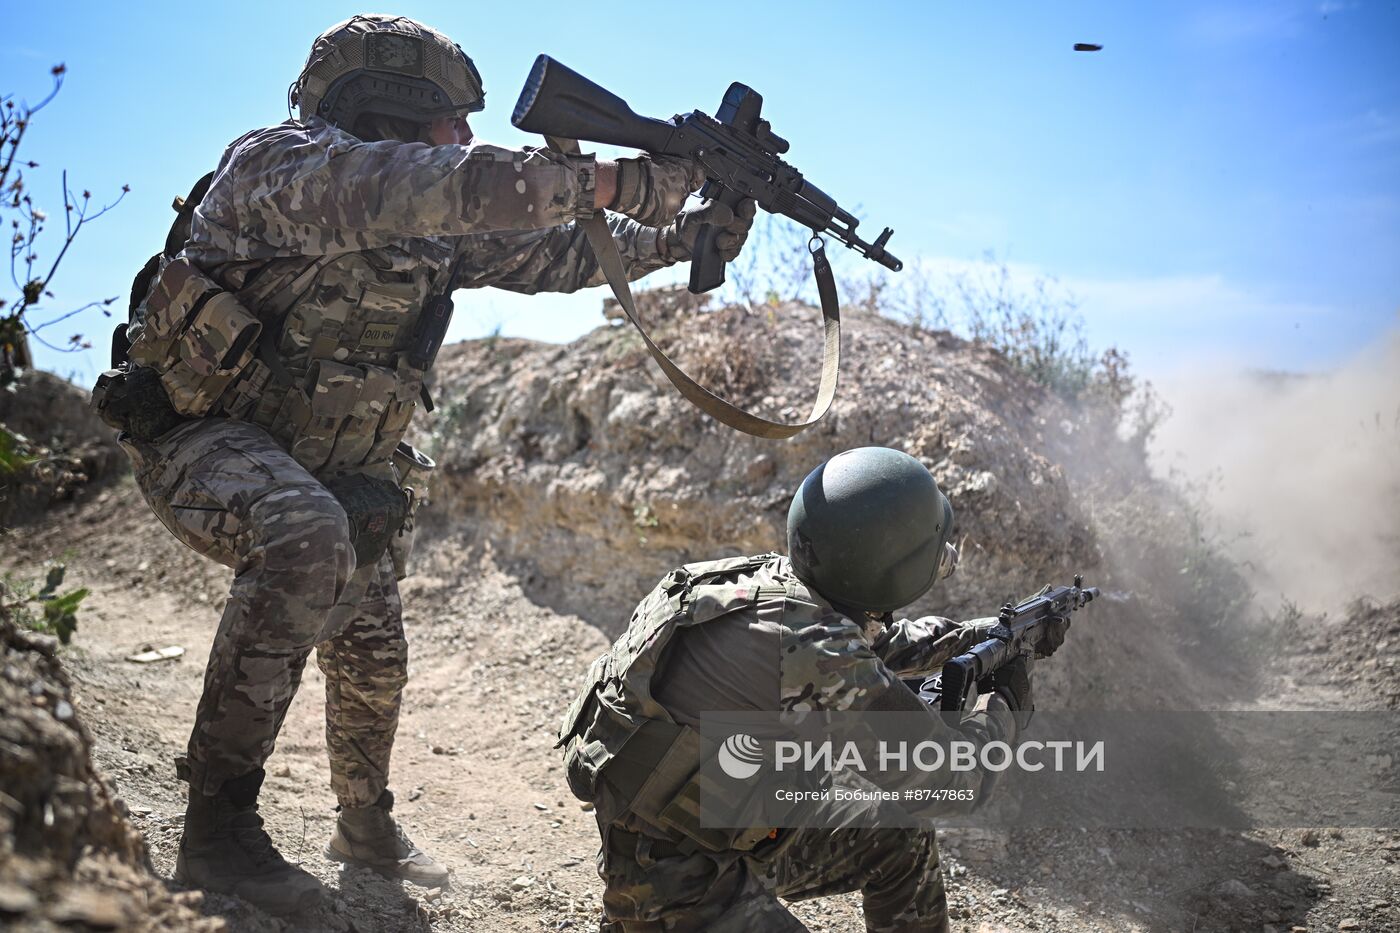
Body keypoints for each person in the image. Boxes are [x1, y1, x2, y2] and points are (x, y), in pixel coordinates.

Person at [98, 13, 754, 916]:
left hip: (332, 465)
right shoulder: (282, 169)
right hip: (203, 442)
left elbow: (557, 251)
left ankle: (363, 824)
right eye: (452, 120)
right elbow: (450, 187)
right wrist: (623, 178)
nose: (468, 138)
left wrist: (685, 236)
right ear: (389, 112)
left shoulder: (431, 212)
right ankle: (217, 832)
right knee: (306, 533)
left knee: (374, 651)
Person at [559, 447, 1059, 932]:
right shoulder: (817, 649)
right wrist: (1007, 699)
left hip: (686, 832)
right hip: (679, 884)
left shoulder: (764, 586)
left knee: (898, 837)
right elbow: (955, 781)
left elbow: (877, 646)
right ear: (891, 569)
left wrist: (993, 634)